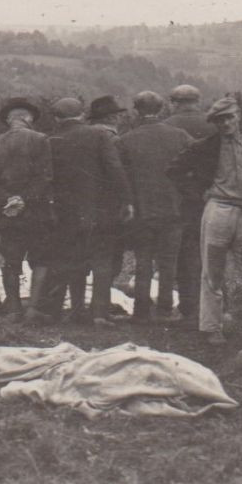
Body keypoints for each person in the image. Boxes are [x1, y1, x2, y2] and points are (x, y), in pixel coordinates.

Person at [166, 95, 242, 351]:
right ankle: (211, 328)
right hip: (219, 210)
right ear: (214, 123)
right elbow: (174, 170)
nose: (225, 124)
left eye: (229, 118)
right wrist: (197, 193)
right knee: (213, 270)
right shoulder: (206, 146)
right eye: (219, 120)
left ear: (238, 116)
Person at [40, 97, 131, 323]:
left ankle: (76, 309)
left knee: (73, 260)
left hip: (66, 212)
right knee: (102, 260)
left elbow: (47, 178)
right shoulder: (99, 135)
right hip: (101, 210)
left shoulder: (51, 140)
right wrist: (126, 200)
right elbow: (114, 169)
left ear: (56, 117)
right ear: (81, 115)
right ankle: (99, 313)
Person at [116, 91, 192, 321]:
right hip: (174, 209)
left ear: (136, 110)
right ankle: (165, 310)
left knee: (143, 262)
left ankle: (141, 311)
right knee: (168, 263)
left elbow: (120, 177)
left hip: (141, 211)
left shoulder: (125, 140)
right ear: (161, 109)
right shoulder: (181, 136)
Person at [0, 96, 53, 319]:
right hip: (36, 213)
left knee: (11, 261)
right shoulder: (41, 139)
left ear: (9, 120)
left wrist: (8, 201)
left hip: (8, 215)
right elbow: (46, 177)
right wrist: (24, 199)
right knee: (41, 259)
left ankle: (13, 309)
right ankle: (33, 308)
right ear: (27, 118)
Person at [163, 84, 215, 320]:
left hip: (179, 200)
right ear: (198, 100)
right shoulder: (214, 123)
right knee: (212, 252)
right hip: (212, 197)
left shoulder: (167, 126)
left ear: (174, 102)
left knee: (185, 253)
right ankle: (212, 306)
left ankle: (188, 305)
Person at [85, 95, 133, 318]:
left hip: (81, 207)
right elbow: (119, 173)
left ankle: (83, 306)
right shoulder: (114, 140)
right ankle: (100, 309)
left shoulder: (81, 136)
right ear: (112, 117)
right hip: (108, 208)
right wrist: (127, 201)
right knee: (109, 259)